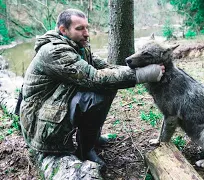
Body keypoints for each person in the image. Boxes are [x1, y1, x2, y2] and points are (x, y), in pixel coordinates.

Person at [19, 8, 164, 169]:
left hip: (54, 105)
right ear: (63, 30)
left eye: (86, 27)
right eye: (80, 28)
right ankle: (85, 150)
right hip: (41, 125)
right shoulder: (55, 51)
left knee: (108, 86)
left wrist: (139, 69)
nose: (86, 33)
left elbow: (106, 68)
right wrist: (145, 74)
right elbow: (94, 78)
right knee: (98, 94)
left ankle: (92, 138)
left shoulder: (77, 44)